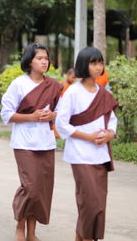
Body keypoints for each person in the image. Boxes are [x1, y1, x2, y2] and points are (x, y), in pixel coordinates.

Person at [0, 43, 62, 241]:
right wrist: (31, 117)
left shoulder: (54, 85)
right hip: (24, 143)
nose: (44, 61)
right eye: (40, 58)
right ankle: (20, 226)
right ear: (29, 61)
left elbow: (62, 113)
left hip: (46, 143)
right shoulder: (19, 84)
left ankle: (32, 233)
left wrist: (53, 114)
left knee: (42, 190)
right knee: (31, 187)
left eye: (46, 58)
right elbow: (6, 114)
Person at [55, 47, 118, 241]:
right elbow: (61, 123)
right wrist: (87, 137)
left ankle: (80, 237)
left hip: (100, 155)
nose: (98, 67)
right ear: (84, 65)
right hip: (80, 155)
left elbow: (112, 120)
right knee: (90, 202)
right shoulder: (73, 92)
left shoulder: (103, 94)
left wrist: (110, 134)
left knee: (98, 202)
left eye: (100, 63)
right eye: (93, 63)